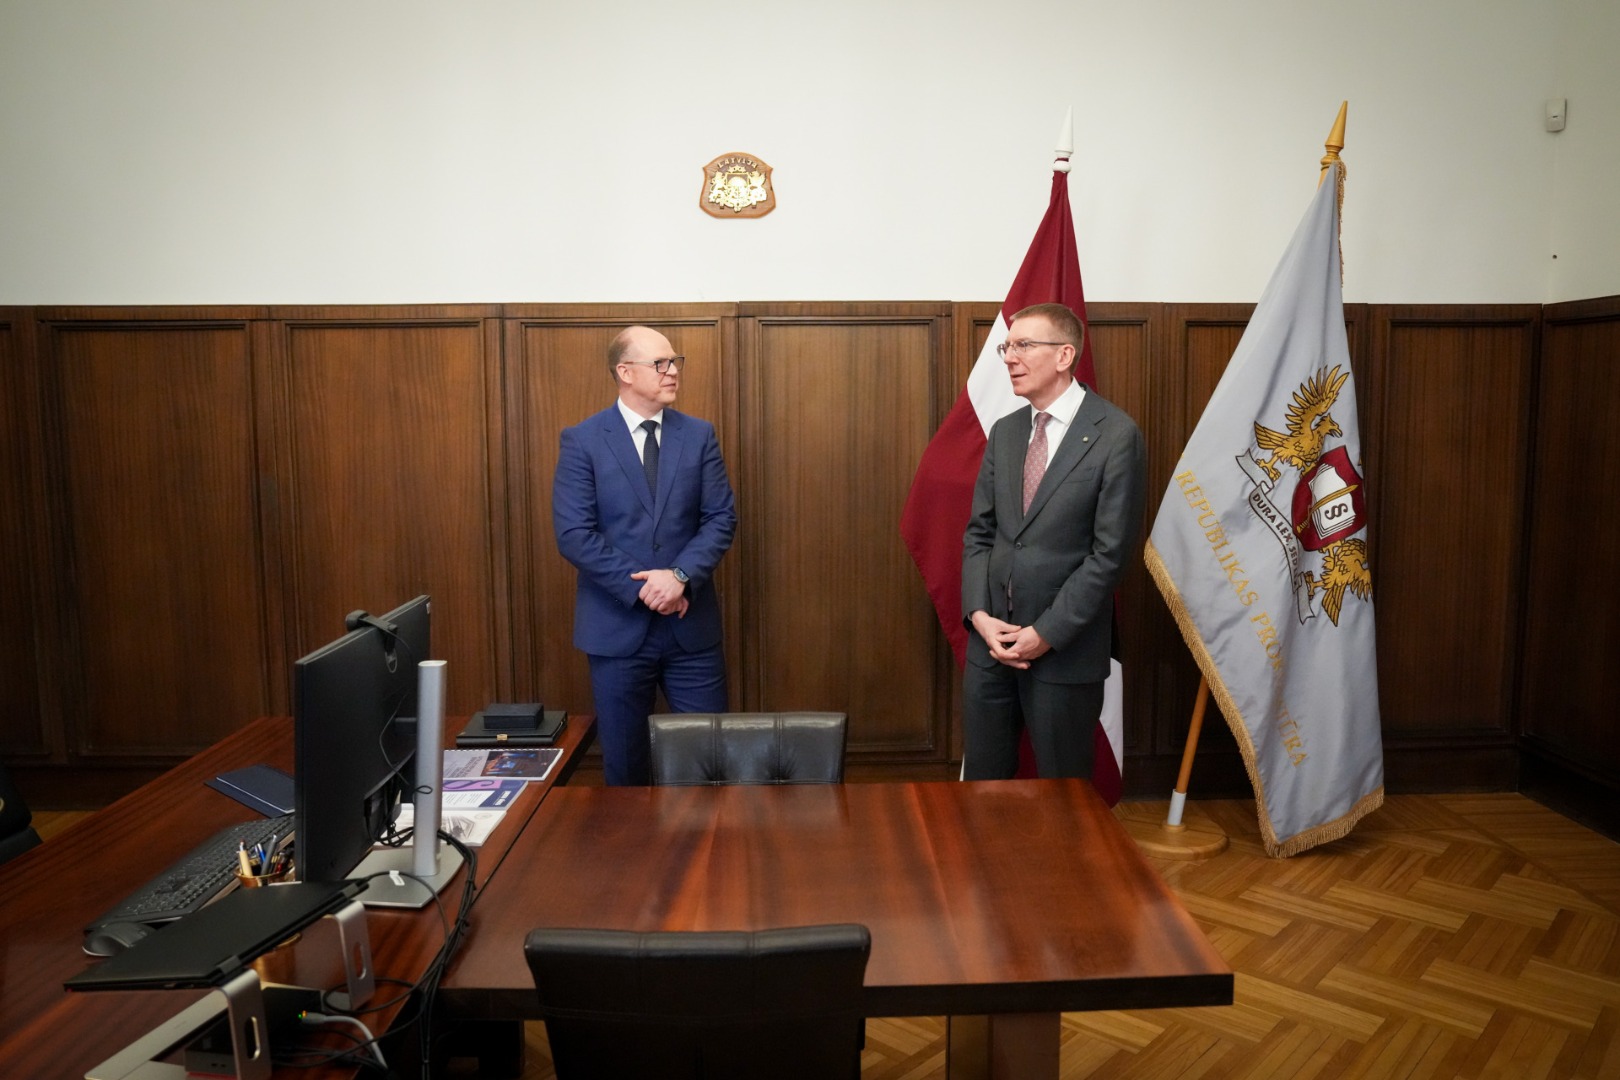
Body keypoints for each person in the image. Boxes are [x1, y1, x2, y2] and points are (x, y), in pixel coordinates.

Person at [961, 303, 1146, 780]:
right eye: (1007, 347)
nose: (1009, 357)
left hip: (1064, 652)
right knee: (983, 788)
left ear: (1064, 355)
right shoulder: (1005, 432)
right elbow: (980, 533)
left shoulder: (1116, 435)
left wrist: (1045, 633)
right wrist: (979, 616)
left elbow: (1109, 556)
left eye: (1023, 345)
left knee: (1064, 797)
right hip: (991, 647)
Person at [553, 325, 737, 785]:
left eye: (675, 362)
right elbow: (574, 533)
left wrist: (678, 576)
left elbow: (721, 518)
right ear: (625, 372)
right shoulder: (583, 440)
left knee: (709, 765)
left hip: (691, 630)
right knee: (626, 770)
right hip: (616, 630)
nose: (673, 371)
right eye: (661, 363)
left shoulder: (698, 435)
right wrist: (647, 589)